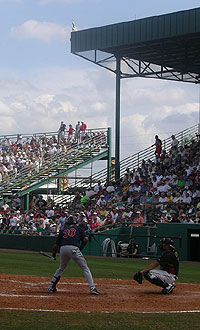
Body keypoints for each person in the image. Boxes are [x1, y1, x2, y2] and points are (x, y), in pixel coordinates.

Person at [48, 215, 100, 295]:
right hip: (73, 248)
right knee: (84, 268)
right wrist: (81, 247)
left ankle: (51, 286)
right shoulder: (78, 228)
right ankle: (92, 288)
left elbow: (55, 246)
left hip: (63, 248)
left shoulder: (63, 230)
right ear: (75, 222)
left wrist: (54, 255)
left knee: (61, 268)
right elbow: (86, 239)